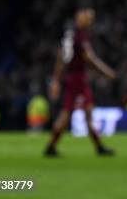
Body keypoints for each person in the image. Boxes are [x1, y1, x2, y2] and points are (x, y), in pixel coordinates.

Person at [44, 8, 117, 157]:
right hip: (77, 79)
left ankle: (99, 147)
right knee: (67, 114)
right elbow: (89, 58)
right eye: (88, 18)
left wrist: (56, 80)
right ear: (80, 19)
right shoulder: (79, 36)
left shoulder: (69, 36)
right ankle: (51, 146)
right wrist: (106, 72)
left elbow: (61, 57)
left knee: (88, 112)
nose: (90, 21)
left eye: (91, 19)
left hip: (75, 78)